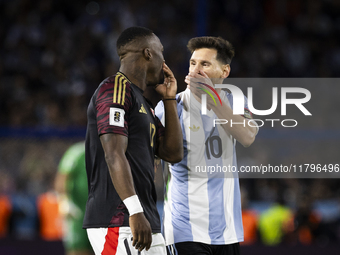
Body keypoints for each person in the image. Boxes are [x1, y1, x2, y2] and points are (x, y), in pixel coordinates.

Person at [83, 26, 183, 255]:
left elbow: (173, 153)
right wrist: (135, 211)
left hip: (143, 220)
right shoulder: (115, 88)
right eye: (161, 52)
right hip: (119, 218)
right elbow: (113, 153)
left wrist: (169, 100)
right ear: (148, 53)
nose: (164, 61)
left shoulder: (144, 104)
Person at [155, 36, 258, 255]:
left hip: (227, 231)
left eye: (205, 64)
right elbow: (151, 162)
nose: (196, 70)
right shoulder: (171, 107)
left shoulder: (236, 100)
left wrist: (211, 98)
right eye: (193, 63)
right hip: (185, 228)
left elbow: (248, 136)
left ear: (224, 72)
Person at [55, 141, 93, 255]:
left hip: (99, 211)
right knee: (77, 249)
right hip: (77, 212)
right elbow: (63, 176)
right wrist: (64, 202)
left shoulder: (108, 151)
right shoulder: (77, 152)